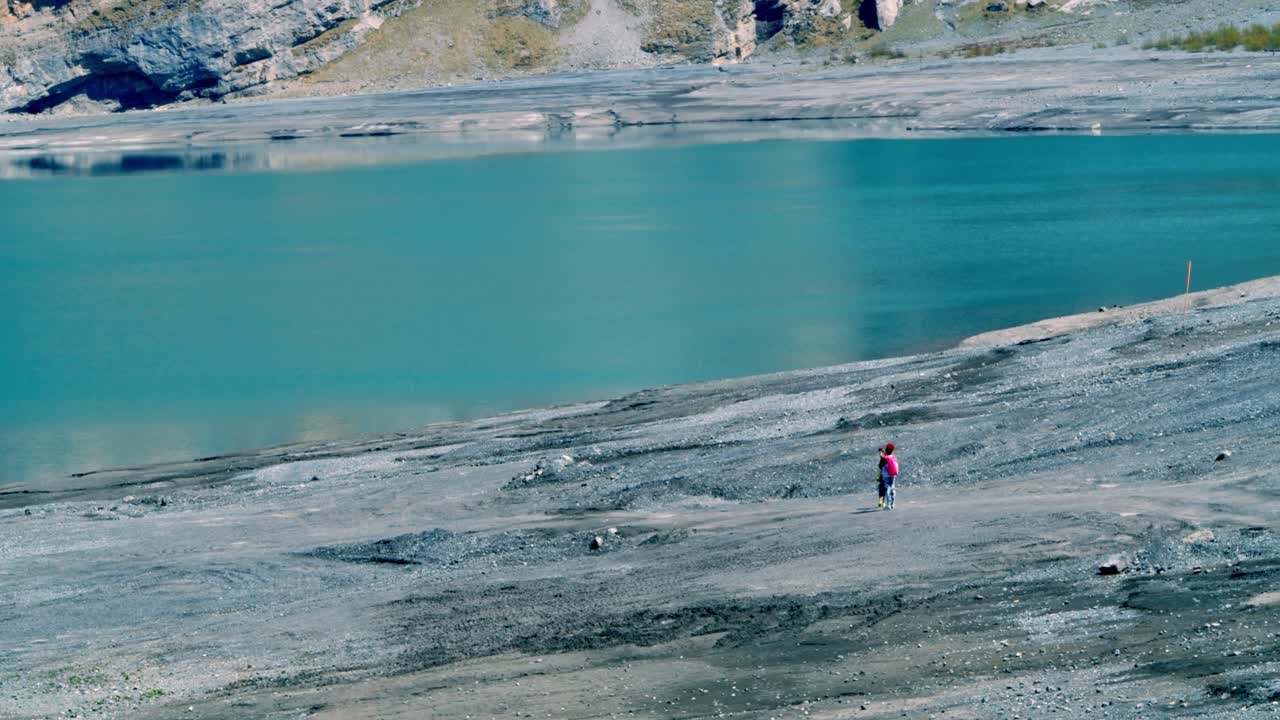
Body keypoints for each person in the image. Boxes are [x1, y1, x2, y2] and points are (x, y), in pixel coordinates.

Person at [879, 443, 899, 510]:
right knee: (892, 488)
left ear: (887, 449)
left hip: (886, 476)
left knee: (887, 489)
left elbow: (882, 457)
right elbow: (887, 455)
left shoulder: (885, 457)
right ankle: (893, 503)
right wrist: (883, 451)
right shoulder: (893, 457)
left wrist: (880, 452)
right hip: (893, 475)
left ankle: (888, 505)